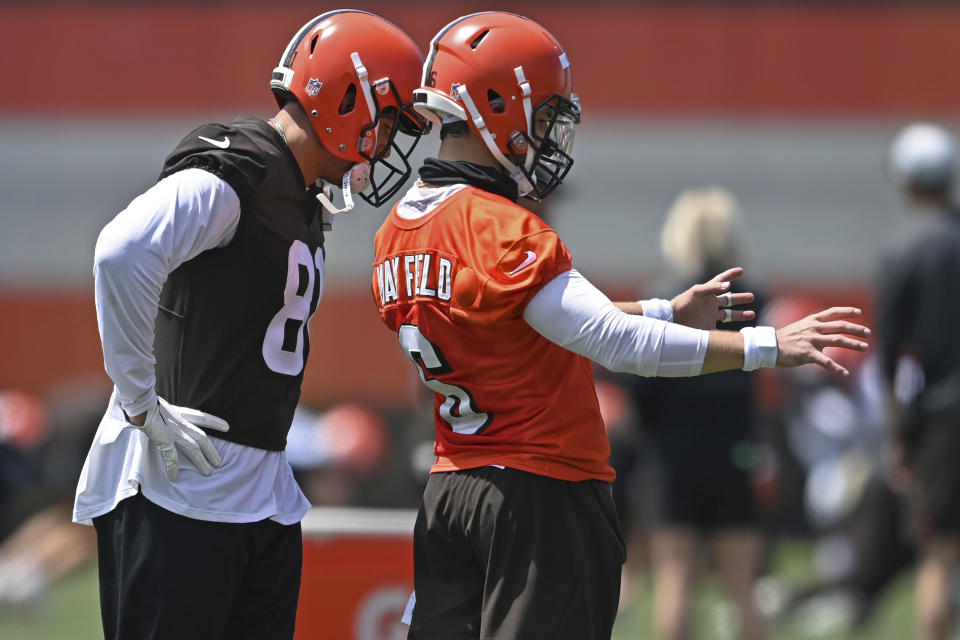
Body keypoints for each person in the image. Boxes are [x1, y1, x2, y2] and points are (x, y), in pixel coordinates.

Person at [370, 12, 870, 640]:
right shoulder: (499, 227)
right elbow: (615, 341)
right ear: (494, 106)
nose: (548, 135)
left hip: (454, 490)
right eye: (543, 116)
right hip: (539, 492)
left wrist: (664, 310)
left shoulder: (399, 230)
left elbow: (533, 322)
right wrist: (766, 345)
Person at [71, 11, 426, 640]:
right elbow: (121, 251)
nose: (390, 141)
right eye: (390, 120)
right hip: (176, 484)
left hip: (256, 485)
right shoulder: (243, 170)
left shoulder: (297, 191)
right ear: (348, 99)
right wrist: (139, 403)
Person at [622, 187, 768, 640]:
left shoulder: (664, 298)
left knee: (675, 579)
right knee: (743, 586)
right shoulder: (755, 298)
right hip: (734, 449)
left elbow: (637, 383)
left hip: (672, 453)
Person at [876, 121, 960, 640]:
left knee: (939, 556)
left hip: (939, 423)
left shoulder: (903, 250)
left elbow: (888, 358)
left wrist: (897, 436)